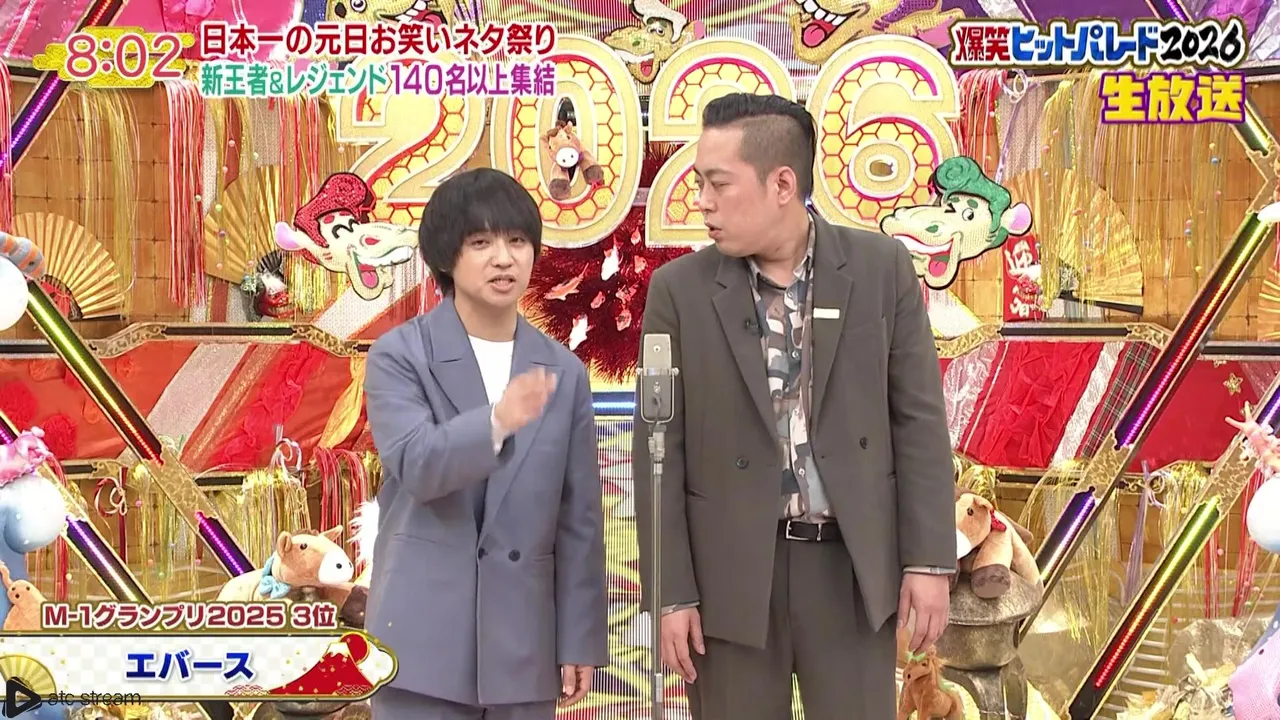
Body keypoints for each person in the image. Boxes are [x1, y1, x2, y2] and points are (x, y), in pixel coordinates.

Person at [633, 93, 955, 719]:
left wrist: (928, 560)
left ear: (783, 184)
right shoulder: (677, 293)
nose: (702, 201)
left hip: (851, 568)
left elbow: (918, 421)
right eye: (700, 184)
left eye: (718, 183)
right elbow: (657, 449)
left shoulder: (882, 269)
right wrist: (670, 592)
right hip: (729, 577)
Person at [364, 168, 608, 720]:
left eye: (517, 241)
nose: (504, 258)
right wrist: (496, 422)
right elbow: (418, 464)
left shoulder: (563, 371)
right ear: (445, 256)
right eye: (481, 242)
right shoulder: (400, 355)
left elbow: (579, 518)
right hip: (422, 645)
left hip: (523, 646)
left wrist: (578, 638)